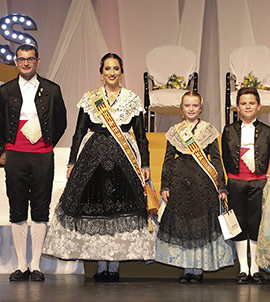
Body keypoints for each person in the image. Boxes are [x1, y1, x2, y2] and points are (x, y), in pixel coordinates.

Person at [43, 53, 156, 282]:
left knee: (117, 212)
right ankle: (101, 265)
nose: (112, 73)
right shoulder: (90, 98)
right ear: (101, 72)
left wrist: (145, 163)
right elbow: (79, 132)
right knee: (97, 212)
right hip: (92, 160)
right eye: (107, 69)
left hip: (124, 161)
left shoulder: (132, 99)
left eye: (116, 68)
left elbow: (142, 137)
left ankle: (113, 266)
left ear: (121, 71)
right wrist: (73, 162)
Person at [0, 44, 67, 281]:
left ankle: (36, 265)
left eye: (30, 59)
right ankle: (21, 265)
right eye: (21, 59)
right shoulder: (5, 90)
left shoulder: (52, 89)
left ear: (38, 61)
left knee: (40, 209)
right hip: (15, 155)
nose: (26, 63)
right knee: (17, 209)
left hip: (42, 156)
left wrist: (47, 144)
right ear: (16, 62)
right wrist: (3, 150)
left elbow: (61, 122)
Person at [155, 91, 234, 283]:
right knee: (184, 227)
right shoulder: (175, 131)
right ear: (182, 109)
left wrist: (221, 186)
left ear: (201, 108)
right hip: (180, 183)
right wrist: (165, 184)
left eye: (195, 105)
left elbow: (216, 159)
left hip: (203, 184)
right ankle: (186, 269)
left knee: (200, 227)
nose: (191, 109)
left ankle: (197, 270)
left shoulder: (208, 129)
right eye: (187, 105)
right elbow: (167, 160)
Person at [222, 87, 270, 284]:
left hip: (259, 184)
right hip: (235, 183)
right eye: (243, 103)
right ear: (237, 107)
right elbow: (224, 158)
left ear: (258, 106)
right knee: (239, 225)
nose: (247, 106)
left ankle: (255, 268)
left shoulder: (267, 131)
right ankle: (243, 268)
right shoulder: (228, 131)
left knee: (256, 225)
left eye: (251, 103)